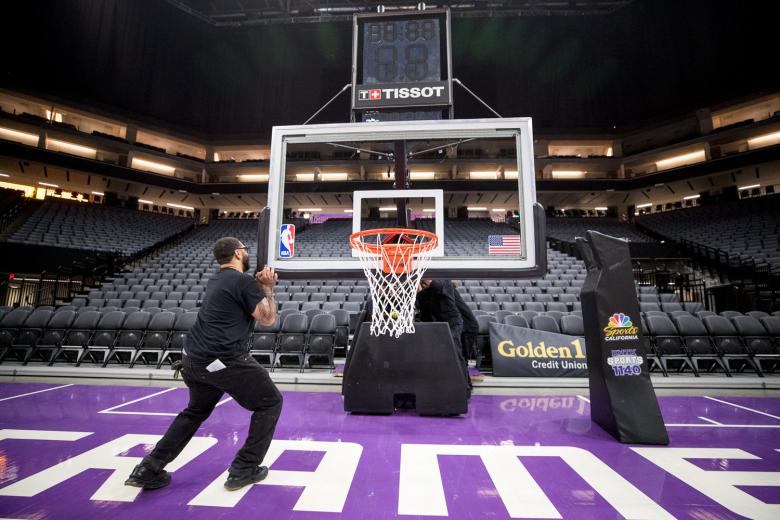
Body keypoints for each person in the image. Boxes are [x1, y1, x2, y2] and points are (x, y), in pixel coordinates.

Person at [125, 237, 283, 492]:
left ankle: (148, 468)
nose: (247, 252)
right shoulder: (243, 280)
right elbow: (267, 319)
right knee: (270, 402)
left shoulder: (216, 279)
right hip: (222, 360)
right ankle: (243, 470)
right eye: (244, 249)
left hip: (191, 360)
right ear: (237, 254)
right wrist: (267, 288)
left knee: (195, 412)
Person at [416, 279, 472, 396]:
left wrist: (423, 280)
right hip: (437, 326)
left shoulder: (442, 282)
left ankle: (464, 388)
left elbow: (437, 286)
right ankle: (441, 386)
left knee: (455, 353)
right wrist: (418, 290)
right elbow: (425, 313)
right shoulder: (423, 294)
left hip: (453, 323)